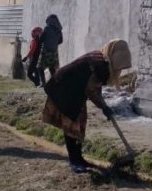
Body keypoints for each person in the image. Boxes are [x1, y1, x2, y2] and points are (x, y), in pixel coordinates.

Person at [42, 39, 131, 173]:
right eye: (119, 66)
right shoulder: (99, 64)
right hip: (64, 89)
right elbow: (91, 91)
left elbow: (95, 87)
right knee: (72, 126)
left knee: (80, 124)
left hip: (76, 91)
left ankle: (79, 158)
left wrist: (103, 105)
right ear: (113, 56)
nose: (119, 70)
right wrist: (103, 107)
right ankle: (74, 161)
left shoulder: (102, 61)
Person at [38, 14, 63, 79]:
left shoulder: (47, 28)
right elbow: (61, 41)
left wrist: (40, 36)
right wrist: (54, 43)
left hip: (46, 51)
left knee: (40, 67)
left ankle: (43, 83)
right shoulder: (59, 30)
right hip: (54, 52)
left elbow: (41, 39)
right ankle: (54, 82)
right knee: (52, 68)